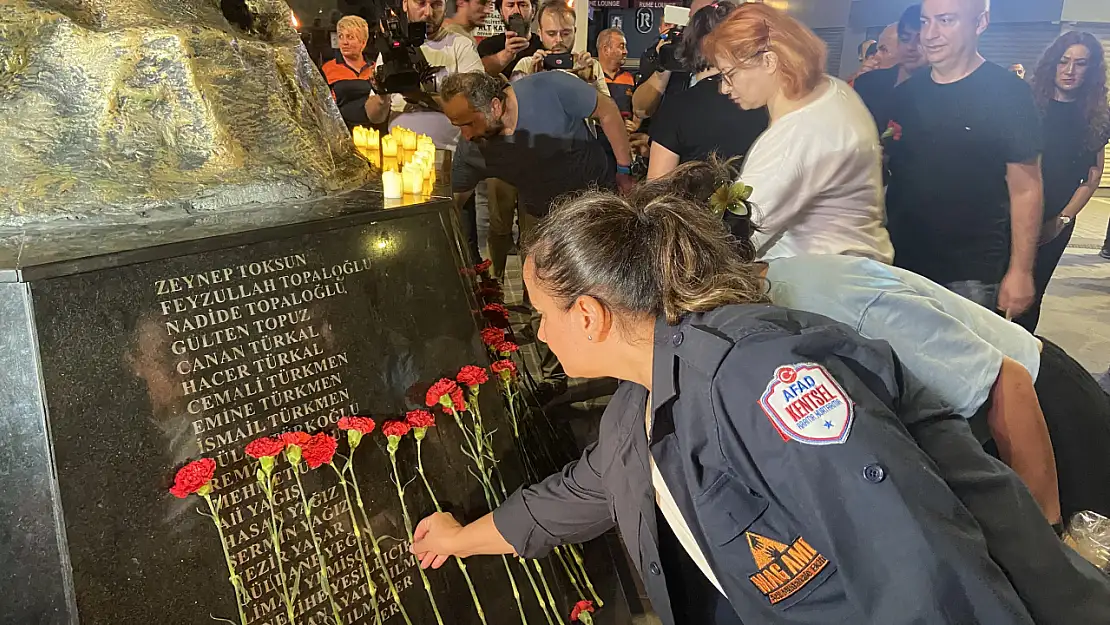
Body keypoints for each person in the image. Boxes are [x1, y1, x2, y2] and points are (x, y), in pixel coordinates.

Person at [410, 181, 1110, 625]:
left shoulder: (763, 376)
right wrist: (454, 538)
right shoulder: (640, 402)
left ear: (588, 315)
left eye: (540, 313)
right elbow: (581, 493)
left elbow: (916, 565)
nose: (538, 332)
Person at [636, 157, 1110, 526]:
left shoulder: (832, 301)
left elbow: (1008, 382)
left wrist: (1045, 540)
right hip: (987, 421)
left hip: (1047, 411)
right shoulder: (754, 308)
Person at [443, 70, 634, 398]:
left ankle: (626, 372)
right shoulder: (473, 150)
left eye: (469, 122)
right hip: (542, 214)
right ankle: (552, 379)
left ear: (495, 106)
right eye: (456, 125)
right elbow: (452, 202)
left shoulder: (550, 88)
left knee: (610, 286)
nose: (466, 134)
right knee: (543, 294)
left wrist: (624, 171)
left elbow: (607, 111)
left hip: (594, 199)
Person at [885, 0, 1042, 315]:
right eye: (926, 21)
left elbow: (1026, 188)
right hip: (900, 261)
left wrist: (1021, 271)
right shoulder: (905, 94)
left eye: (945, 20)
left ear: (980, 23)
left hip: (971, 271)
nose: (930, 34)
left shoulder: (1009, 93)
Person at [704, 3, 892, 262]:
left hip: (822, 285)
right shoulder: (833, 90)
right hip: (857, 271)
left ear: (769, 60)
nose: (724, 89)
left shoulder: (799, 135)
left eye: (728, 75)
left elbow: (732, 237)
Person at [1016, 32, 1110, 332]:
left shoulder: (1097, 116)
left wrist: (1062, 219)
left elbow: (1093, 175)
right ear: (1051, 64)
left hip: (1056, 217)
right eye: (1064, 61)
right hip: (1010, 212)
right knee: (993, 293)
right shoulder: (1026, 102)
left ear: (1091, 69)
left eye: (1080, 63)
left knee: (1031, 295)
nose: (1069, 71)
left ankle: (1020, 366)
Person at [646, 0, 768, 179]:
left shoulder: (677, 108)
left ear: (688, 44)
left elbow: (656, 187)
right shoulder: (766, 102)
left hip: (693, 207)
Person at [371, 0, 485, 150]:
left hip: (448, 153)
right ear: (405, 4)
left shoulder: (461, 46)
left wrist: (421, 97)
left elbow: (476, 106)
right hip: (398, 155)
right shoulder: (392, 48)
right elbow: (374, 117)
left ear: (446, 7)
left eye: (436, 4)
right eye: (421, 3)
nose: (428, 13)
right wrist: (381, 94)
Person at [630, 0, 715, 121]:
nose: (673, 31)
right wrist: (666, 62)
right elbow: (641, 110)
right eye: (668, 25)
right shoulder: (653, 54)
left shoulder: (718, 56)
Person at [852, 4, 927, 133]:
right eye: (905, 39)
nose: (910, 47)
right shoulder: (866, 84)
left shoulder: (943, 95)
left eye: (920, 40)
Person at [509, 1, 607, 97]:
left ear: (574, 32)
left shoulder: (591, 66)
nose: (559, 40)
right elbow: (513, 107)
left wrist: (589, 83)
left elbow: (609, 110)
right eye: (551, 34)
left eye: (566, 33)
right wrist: (532, 78)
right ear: (540, 33)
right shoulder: (527, 65)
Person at [322, 15, 388, 128]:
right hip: (342, 131)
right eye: (341, 37)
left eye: (350, 37)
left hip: (374, 131)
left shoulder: (374, 68)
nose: (344, 42)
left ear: (363, 42)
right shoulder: (328, 68)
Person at [477, 0, 542, 77]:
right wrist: (507, 54)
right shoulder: (487, 46)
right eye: (510, 5)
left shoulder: (543, 44)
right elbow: (478, 75)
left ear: (533, 11)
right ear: (501, 11)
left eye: (523, 5)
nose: (516, 11)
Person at [597, 28, 635, 118]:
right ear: (606, 50)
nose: (626, 52)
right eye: (621, 47)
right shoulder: (591, 78)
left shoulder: (630, 78)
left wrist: (634, 124)